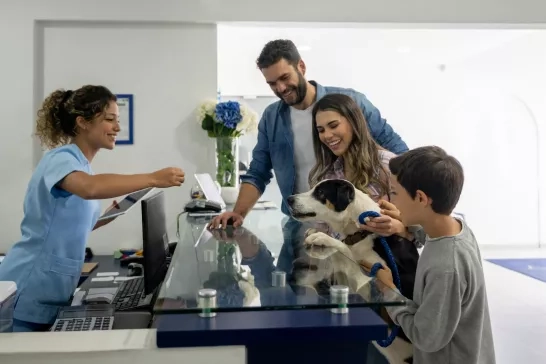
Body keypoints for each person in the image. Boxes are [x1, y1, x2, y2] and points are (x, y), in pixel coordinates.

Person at [0, 85, 185, 332]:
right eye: (110, 120)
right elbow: (90, 188)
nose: (117, 128)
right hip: (27, 288)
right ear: (83, 123)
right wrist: (151, 177)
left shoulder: (82, 167)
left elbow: (86, 221)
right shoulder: (60, 159)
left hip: (51, 290)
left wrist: (127, 201)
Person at [209, 39, 408, 229]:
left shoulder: (351, 101)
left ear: (301, 67)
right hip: (299, 224)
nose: (280, 88)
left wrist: (404, 221)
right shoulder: (271, 117)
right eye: (272, 83)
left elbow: (400, 155)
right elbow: (258, 171)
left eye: (285, 78)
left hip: (355, 224)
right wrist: (238, 213)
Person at [361, 146, 496, 364]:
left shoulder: (445, 267)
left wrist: (388, 291)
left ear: (422, 198)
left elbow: (425, 337)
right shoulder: (459, 228)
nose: (391, 201)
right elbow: (433, 237)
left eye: (394, 193)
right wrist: (405, 226)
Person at [309, 93, 413, 240]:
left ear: (353, 122)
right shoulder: (327, 176)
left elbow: (422, 229)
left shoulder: (388, 165)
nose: (327, 135)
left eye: (333, 125)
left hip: (389, 260)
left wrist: (400, 229)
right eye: (321, 130)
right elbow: (323, 232)